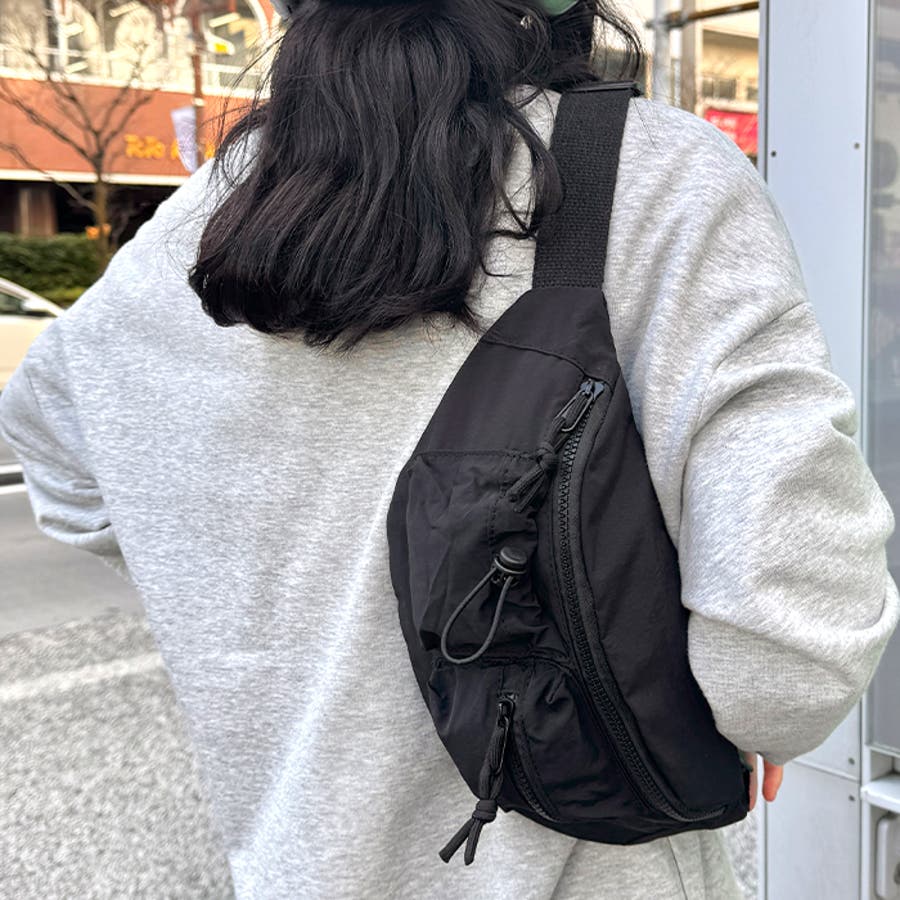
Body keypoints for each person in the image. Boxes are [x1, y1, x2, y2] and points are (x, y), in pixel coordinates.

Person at [0, 0, 897, 896]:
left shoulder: (197, 224)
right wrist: (750, 709)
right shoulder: (648, 178)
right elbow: (784, 659)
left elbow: (54, 447)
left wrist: (247, 577)